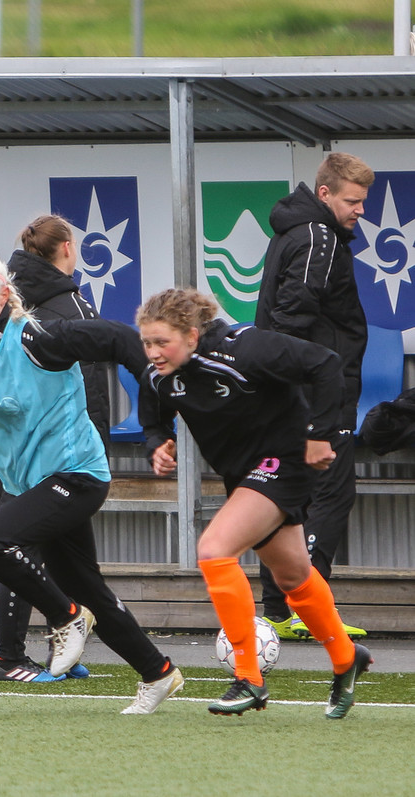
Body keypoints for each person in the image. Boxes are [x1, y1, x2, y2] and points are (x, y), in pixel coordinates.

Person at [0, 251, 183, 715]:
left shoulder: (38, 336)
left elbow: (120, 339)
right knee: (89, 588)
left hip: (76, 472)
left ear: (4, 294)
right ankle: (157, 672)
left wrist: (158, 414)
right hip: (30, 483)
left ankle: (66, 618)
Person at [137, 287, 372, 718]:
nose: (152, 352)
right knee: (292, 577)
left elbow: (325, 364)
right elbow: (154, 414)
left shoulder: (244, 349)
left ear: (192, 335)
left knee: (214, 550)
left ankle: (249, 677)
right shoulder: (159, 374)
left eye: (161, 342)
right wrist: (158, 443)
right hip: (244, 475)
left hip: (284, 461)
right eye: (146, 342)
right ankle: (346, 657)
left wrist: (320, 435)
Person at [0, 214, 123, 683]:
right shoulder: (71, 306)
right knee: (23, 548)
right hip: (61, 452)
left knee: (69, 557)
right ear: (67, 248)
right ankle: (10, 658)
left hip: (14, 445)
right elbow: (89, 387)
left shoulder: (6, 300)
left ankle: (60, 651)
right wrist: (95, 448)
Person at [255, 152, 375, 641]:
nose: (360, 211)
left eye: (363, 202)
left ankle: (278, 610)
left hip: (296, 390)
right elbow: (292, 317)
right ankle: (308, 607)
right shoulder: (317, 236)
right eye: (353, 201)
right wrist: (304, 396)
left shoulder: (298, 230)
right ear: (325, 194)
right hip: (316, 391)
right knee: (330, 494)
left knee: (288, 497)